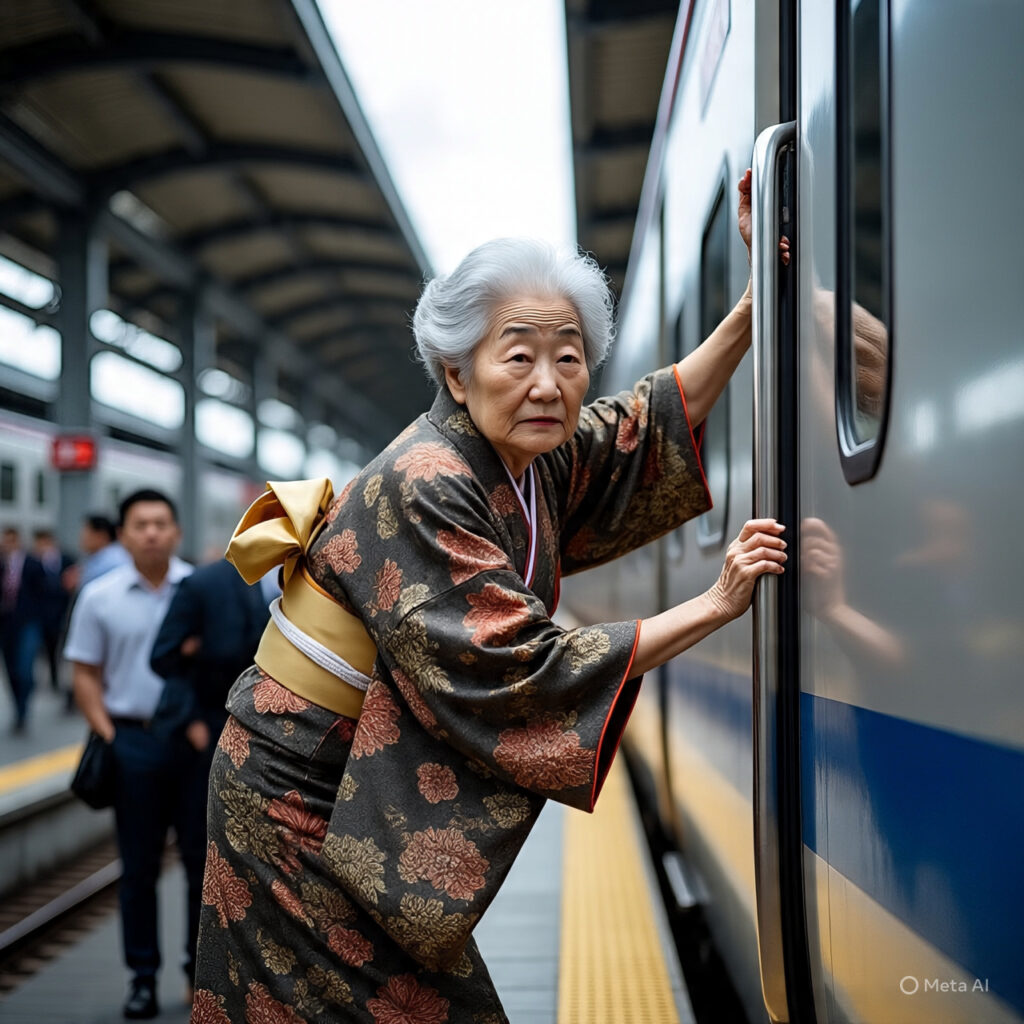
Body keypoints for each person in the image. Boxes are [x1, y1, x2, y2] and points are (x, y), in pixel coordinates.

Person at [191, 174, 787, 1023]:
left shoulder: (531, 455)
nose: (548, 384)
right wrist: (716, 603)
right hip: (299, 797)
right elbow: (516, 667)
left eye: (569, 356)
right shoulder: (427, 479)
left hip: (346, 784)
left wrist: (752, 306)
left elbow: (635, 430)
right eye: (519, 356)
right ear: (457, 372)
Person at [64, 490, 198, 1020]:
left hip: (192, 746)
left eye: (160, 523)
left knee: (202, 864)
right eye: (139, 524)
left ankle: (196, 973)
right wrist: (111, 736)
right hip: (132, 740)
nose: (150, 533)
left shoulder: (200, 589)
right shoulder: (99, 596)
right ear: (122, 535)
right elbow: (84, 674)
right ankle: (142, 978)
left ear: (176, 532)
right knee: (138, 868)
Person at [0, 526, 46, 732]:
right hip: (6, 624)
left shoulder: (33, 564)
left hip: (28, 624)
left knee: (24, 669)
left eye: (11, 540)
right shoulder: (1, 565)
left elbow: (45, 593)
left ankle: (24, 709)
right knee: (11, 670)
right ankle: (18, 708)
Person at [31, 528, 75, 693]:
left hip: (64, 612)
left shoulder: (67, 559)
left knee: (66, 650)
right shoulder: (35, 562)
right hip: (44, 615)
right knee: (49, 649)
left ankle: (68, 687)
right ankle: (55, 679)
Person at [78, 512, 132, 588]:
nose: (82, 537)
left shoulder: (113, 560)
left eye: (87, 532)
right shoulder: (99, 557)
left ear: (101, 535)